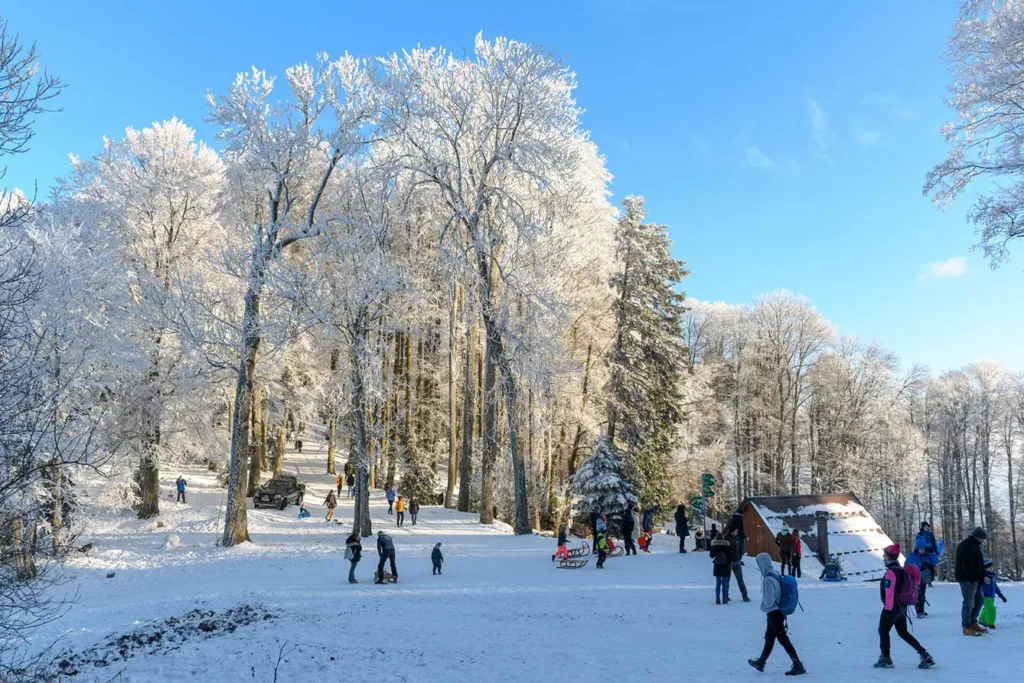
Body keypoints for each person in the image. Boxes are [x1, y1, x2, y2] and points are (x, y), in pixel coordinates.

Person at [874, 544, 934, 669]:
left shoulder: (891, 572)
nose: (883, 556)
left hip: (892, 607)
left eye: (884, 554)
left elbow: (889, 591)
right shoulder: (901, 569)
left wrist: (888, 608)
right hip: (902, 606)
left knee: (883, 631)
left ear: (889, 556)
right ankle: (924, 654)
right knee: (903, 632)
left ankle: (886, 659)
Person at [748, 552, 805, 676]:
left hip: (773, 612)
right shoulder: (775, 573)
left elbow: (769, 600)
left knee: (782, 638)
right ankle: (761, 661)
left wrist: (763, 607)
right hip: (778, 610)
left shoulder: (768, 579)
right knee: (770, 637)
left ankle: (797, 664)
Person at [955, 526, 988, 636]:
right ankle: (966, 626)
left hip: (975, 579)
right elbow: (967, 566)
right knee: (969, 602)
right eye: (983, 538)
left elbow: (978, 564)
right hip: (967, 579)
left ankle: (973, 622)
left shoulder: (974, 545)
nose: (983, 541)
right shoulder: (968, 546)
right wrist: (973, 579)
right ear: (977, 537)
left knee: (980, 600)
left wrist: (981, 577)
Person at [904, 536, 939, 617]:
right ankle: (919, 611)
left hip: (923, 578)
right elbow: (907, 566)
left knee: (922, 593)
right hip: (914, 578)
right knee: (918, 594)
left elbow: (936, 561)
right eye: (920, 549)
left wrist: (932, 552)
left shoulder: (927, 556)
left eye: (923, 549)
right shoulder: (912, 556)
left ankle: (921, 609)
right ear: (917, 548)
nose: (922, 550)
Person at [979, 559, 1007, 629]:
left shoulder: (992, 576)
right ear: (985, 568)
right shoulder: (982, 576)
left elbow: (995, 587)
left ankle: (982, 620)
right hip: (985, 596)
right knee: (991, 609)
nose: (991, 569)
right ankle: (990, 623)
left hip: (992, 596)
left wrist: (1001, 595)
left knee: (987, 608)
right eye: (989, 567)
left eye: (992, 567)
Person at [728, 526, 751, 602]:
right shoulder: (726, 538)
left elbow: (741, 549)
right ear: (732, 531)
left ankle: (745, 596)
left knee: (740, 580)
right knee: (727, 580)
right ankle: (726, 596)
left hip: (737, 562)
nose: (737, 531)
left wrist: (740, 557)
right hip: (729, 563)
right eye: (736, 530)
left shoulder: (738, 538)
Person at [710, 532, 732, 604]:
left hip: (717, 566)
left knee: (718, 583)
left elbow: (711, 555)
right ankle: (725, 599)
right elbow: (729, 555)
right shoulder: (726, 544)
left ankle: (717, 598)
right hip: (725, 566)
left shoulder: (714, 545)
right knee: (725, 583)